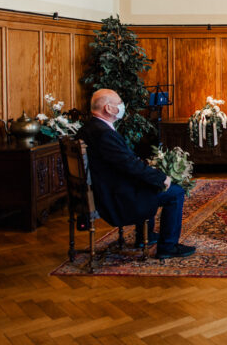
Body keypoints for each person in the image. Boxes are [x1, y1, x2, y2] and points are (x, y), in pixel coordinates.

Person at [78, 88, 195, 259]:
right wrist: (162, 178)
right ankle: (168, 247)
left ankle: (144, 237)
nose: (122, 106)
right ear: (108, 108)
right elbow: (130, 166)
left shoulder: (88, 128)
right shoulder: (104, 134)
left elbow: (124, 163)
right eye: (119, 103)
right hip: (116, 199)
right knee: (175, 192)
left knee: (146, 180)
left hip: (105, 189)